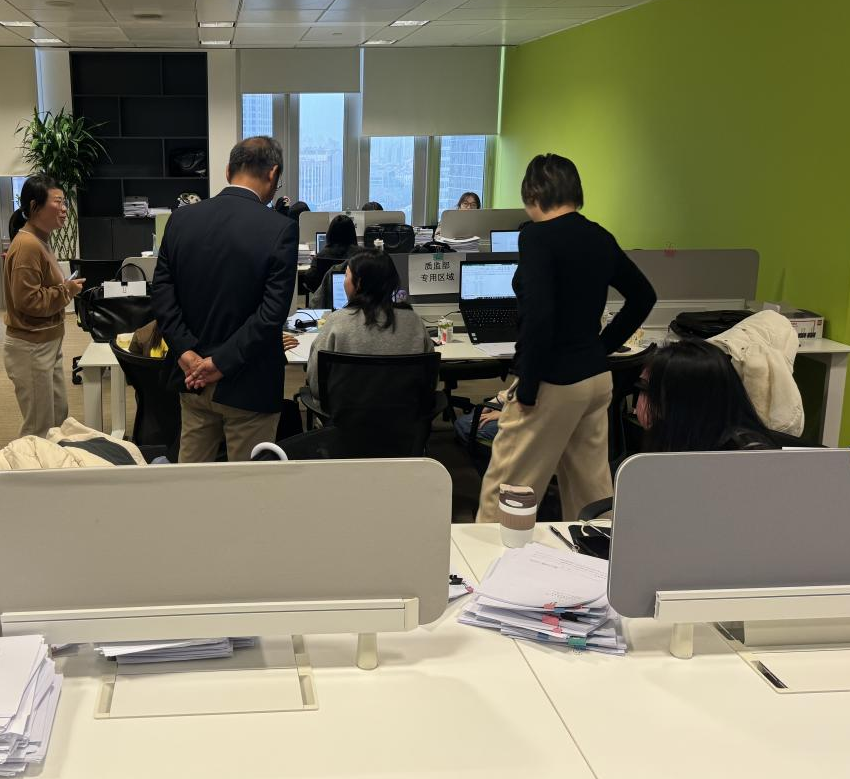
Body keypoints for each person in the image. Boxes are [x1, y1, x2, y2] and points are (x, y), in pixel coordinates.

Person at [477, 154, 656, 523]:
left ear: (532, 194)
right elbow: (643, 296)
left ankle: (488, 558)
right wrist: (600, 348)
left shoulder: (537, 237)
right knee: (591, 492)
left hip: (553, 382)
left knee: (508, 491)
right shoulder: (599, 236)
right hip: (595, 380)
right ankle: (602, 554)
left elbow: (539, 314)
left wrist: (527, 389)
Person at [151, 136, 298, 462]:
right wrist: (220, 364)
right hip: (249, 381)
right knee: (247, 484)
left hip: (191, 377)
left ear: (228, 170)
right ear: (273, 173)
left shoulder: (181, 219)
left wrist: (186, 352)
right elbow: (271, 314)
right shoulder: (280, 229)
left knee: (192, 478)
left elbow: (161, 293)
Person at [3, 174, 85, 438]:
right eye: (58, 202)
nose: (64, 209)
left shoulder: (40, 239)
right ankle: (29, 465)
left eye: (64, 202)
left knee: (56, 418)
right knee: (39, 428)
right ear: (34, 206)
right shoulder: (28, 244)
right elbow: (28, 301)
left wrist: (63, 289)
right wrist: (66, 291)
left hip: (45, 342)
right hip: (31, 346)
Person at [304, 249, 433, 414]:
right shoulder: (414, 321)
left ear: (358, 283)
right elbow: (430, 380)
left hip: (345, 421)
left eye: (346, 275)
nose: (344, 282)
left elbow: (316, 383)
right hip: (404, 421)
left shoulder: (336, 321)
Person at [637, 340, 805, 451]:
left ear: (683, 401)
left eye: (646, 390)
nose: (638, 405)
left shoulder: (745, 459)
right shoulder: (679, 437)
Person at [305, 213, 360, 293]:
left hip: (325, 296)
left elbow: (311, 279)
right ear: (352, 233)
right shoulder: (361, 255)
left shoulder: (320, 256)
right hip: (355, 296)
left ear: (330, 233)